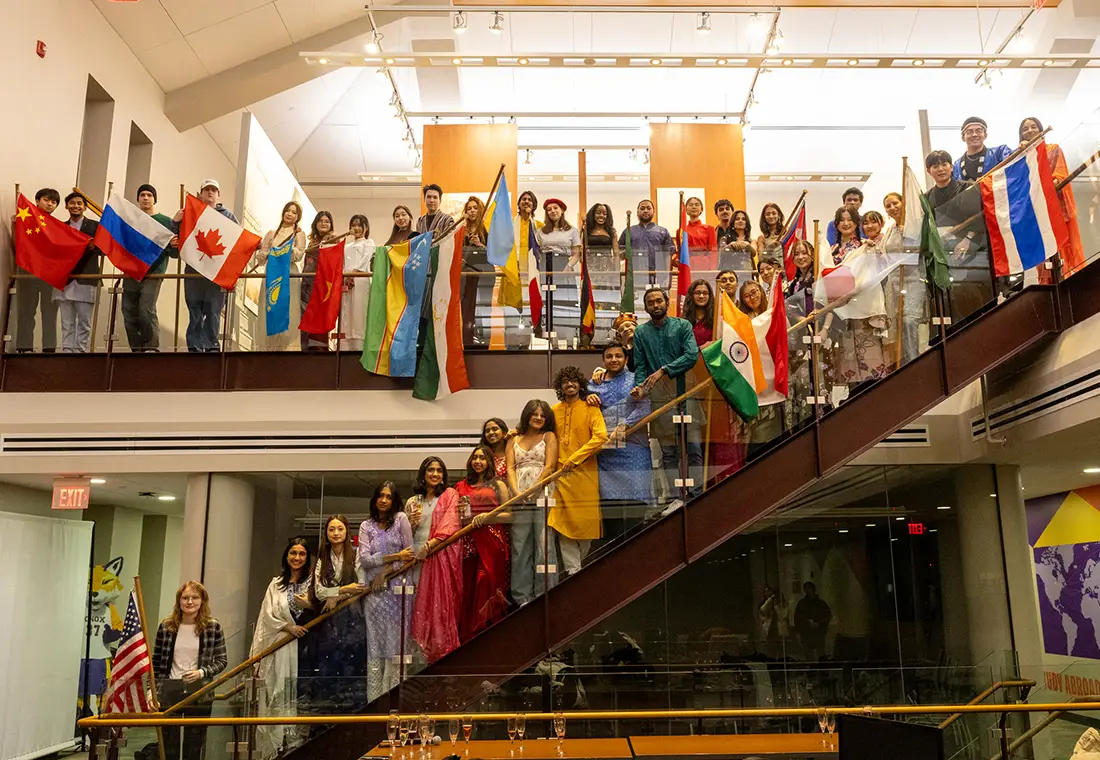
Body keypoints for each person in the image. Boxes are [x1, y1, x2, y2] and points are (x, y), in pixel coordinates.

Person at [630, 286, 703, 504]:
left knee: (694, 448)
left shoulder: (682, 325)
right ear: (646, 307)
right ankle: (675, 498)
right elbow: (641, 366)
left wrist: (663, 370)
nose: (655, 305)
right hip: (660, 399)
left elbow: (691, 355)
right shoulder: (641, 333)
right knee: (669, 453)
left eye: (659, 301)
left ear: (666, 303)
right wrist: (640, 387)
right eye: (651, 302)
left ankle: (698, 495)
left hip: (687, 394)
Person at [250, 538, 314, 759]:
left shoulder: (313, 582)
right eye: (293, 553)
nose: (297, 557)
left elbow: (322, 608)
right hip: (281, 648)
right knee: (277, 695)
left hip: (306, 650)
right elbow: (266, 616)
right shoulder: (276, 584)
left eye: (302, 554)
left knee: (301, 697)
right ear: (286, 556)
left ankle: (298, 746)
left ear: (307, 557)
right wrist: (288, 627)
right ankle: (277, 749)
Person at [153, 581, 227, 760]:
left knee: (194, 746)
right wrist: (152, 691)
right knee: (169, 744)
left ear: (202, 601)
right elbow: (155, 662)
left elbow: (222, 661)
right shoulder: (166, 627)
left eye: (195, 598)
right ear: (179, 601)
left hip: (199, 690)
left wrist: (201, 672)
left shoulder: (213, 627)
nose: (190, 602)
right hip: (170, 689)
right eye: (185, 598)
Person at [586, 342, 652, 539]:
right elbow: (585, 410)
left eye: (618, 356)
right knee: (610, 514)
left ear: (626, 359)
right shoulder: (593, 385)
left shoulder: (636, 380)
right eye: (609, 356)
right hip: (606, 455)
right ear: (603, 360)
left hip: (635, 451)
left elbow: (644, 407)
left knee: (635, 511)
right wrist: (588, 399)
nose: (614, 359)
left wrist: (624, 425)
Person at [357, 481, 414, 702]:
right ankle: (375, 703)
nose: (384, 500)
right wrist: (395, 557)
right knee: (375, 648)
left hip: (398, 592)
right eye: (380, 496)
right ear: (374, 499)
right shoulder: (366, 526)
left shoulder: (401, 519)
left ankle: (395, 702)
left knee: (396, 648)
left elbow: (410, 556)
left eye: (389, 497)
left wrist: (386, 572)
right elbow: (365, 559)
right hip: (374, 596)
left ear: (394, 500)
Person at [550, 366, 609, 574]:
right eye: (565, 381)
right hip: (560, 476)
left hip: (585, 476)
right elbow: (539, 431)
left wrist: (575, 459)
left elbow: (601, 437)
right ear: (560, 386)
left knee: (586, 527)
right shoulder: (553, 411)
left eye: (573, 381)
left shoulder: (591, 408)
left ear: (580, 384)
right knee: (562, 525)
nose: (569, 384)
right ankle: (574, 571)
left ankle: (578, 568)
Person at [925, 149, 992, 322]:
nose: (940, 169)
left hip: (972, 250)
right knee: (950, 299)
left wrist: (968, 239)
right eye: (935, 166)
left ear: (951, 166)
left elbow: (978, 216)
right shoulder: (927, 198)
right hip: (944, 252)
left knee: (974, 295)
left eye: (944, 164)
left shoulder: (968, 188)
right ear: (928, 171)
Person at [506, 399, 559, 606]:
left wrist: (533, 488)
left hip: (543, 493)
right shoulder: (513, 439)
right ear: (527, 415)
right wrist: (517, 492)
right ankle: (521, 596)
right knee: (520, 545)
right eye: (534, 414)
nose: (538, 418)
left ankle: (545, 592)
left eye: (542, 415)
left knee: (544, 543)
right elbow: (510, 468)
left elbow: (550, 466)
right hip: (518, 495)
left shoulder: (548, 436)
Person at [410, 457, 464, 662]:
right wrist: (411, 524)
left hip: (438, 558)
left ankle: (442, 656)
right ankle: (420, 659)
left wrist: (430, 546)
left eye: (439, 470)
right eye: (430, 470)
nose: (435, 474)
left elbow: (451, 526)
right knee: (417, 606)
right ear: (423, 473)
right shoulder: (413, 501)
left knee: (439, 608)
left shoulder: (450, 495)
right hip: (416, 560)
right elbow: (405, 536)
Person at [312, 514, 368, 711]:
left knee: (353, 672)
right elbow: (318, 592)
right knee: (328, 671)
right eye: (331, 530)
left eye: (340, 529)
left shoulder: (356, 554)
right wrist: (344, 589)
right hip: (328, 623)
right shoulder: (322, 560)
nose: (336, 533)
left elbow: (360, 586)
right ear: (326, 534)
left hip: (353, 619)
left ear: (346, 532)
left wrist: (335, 597)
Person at [172, 180, 235, 353]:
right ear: (200, 193)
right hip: (194, 269)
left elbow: (238, 240)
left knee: (213, 310)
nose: (210, 192)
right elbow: (174, 238)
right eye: (206, 189)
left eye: (214, 190)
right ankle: (194, 346)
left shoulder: (228, 216)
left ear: (218, 195)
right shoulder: (190, 213)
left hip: (216, 272)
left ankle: (211, 345)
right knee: (194, 309)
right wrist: (175, 221)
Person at [1020, 117, 1086, 278]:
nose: (1030, 131)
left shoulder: (1053, 149)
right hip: (1034, 212)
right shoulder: (1020, 156)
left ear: (1041, 130)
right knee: (1042, 257)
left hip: (1054, 207)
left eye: (1033, 127)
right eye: (1025, 129)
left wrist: (1045, 189)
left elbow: (1060, 175)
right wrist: (1023, 153)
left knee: (1062, 250)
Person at [457, 445, 512, 640]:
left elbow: (509, 515)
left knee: (486, 582)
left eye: (482, 458)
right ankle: (467, 637)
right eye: (475, 457)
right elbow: (457, 517)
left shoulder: (498, 484)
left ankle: (490, 633)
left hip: (491, 542)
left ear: (489, 461)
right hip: (468, 544)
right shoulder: (461, 486)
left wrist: (487, 517)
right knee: (468, 589)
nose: (478, 461)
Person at [833, 210, 891, 387]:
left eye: (849, 219)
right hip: (842, 306)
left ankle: (873, 391)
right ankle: (853, 393)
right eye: (841, 220)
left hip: (864, 302)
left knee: (868, 348)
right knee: (848, 352)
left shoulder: (865, 245)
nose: (845, 223)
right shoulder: (834, 249)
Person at [122, 184, 175, 352]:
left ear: (154, 199)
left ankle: (151, 347)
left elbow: (174, 252)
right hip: (131, 271)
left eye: (149, 195)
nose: (145, 198)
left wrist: (173, 244)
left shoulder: (166, 221)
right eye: (142, 194)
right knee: (128, 311)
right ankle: (136, 349)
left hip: (154, 272)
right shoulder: (130, 219)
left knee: (146, 308)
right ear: (138, 198)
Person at [252, 201, 306, 350]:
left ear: (298, 217)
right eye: (288, 210)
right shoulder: (271, 233)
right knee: (269, 307)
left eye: (294, 212)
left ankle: (286, 348)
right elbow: (261, 258)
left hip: (289, 275)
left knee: (289, 309)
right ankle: (267, 347)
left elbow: (299, 254)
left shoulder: (299, 234)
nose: (289, 214)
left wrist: (282, 251)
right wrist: (267, 252)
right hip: (272, 274)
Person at [14, 188, 61, 352]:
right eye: (46, 200)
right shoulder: (24, 220)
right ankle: (24, 347)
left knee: (50, 314)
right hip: (28, 273)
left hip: (50, 275)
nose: (50, 204)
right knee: (26, 312)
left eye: (54, 202)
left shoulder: (58, 227)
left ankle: (49, 349)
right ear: (37, 200)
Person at [53, 192, 101, 353]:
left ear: (85, 207)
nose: (76, 206)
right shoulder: (59, 227)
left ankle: (81, 352)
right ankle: (67, 351)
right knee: (66, 321)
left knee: (84, 320)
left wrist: (96, 245)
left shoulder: (96, 227)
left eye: (79, 203)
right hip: (64, 279)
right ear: (66, 206)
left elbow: (106, 250)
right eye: (72, 203)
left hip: (86, 278)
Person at [300, 210, 337, 351]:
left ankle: (320, 351)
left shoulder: (334, 239)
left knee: (320, 316)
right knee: (306, 315)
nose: (323, 223)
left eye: (327, 221)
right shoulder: (311, 241)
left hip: (323, 284)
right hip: (307, 283)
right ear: (316, 223)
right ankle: (305, 349)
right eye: (321, 221)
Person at [618, 200, 673, 289]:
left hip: (658, 277)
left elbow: (668, 255)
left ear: (653, 211)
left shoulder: (663, 231)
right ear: (637, 212)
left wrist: (666, 274)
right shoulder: (628, 231)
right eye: (642, 208)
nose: (645, 211)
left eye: (648, 208)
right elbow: (619, 253)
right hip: (635, 276)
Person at [340, 214, 373, 351]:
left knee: (359, 311)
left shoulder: (368, 243)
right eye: (353, 225)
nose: (356, 228)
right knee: (346, 311)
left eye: (359, 225)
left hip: (360, 281)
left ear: (365, 228)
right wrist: (345, 277)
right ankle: (344, 345)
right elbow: (341, 263)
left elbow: (365, 260)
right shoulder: (346, 246)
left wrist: (353, 273)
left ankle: (360, 346)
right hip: (346, 282)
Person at [461, 197, 491, 346]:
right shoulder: (461, 231)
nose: (472, 211)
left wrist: (479, 245)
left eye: (475, 208)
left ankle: (483, 340)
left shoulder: (486, 230)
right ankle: (466, 339)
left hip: (484, 276)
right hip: (465, 276)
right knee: (466, 308)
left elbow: (493, 255)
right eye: (469, 208)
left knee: (482, 308)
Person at [953, 116, 1012, 181]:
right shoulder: (957, 165)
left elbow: (1017, 160)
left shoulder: (999, 153)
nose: (974, 135)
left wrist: (1024, 146)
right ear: (963, 137)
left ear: (985, 135)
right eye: (969, 132)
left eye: (979, 131)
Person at [537, 198, 581, 269]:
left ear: (562, 210)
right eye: (549, 209)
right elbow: (537, 252)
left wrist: (568, 267)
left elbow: (577, 253)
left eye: (555, 208)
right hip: (545, 266)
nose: (553, 211)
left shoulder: (573, 231)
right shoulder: (540, 231)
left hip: (565, 265)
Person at [793, 581, 832, 662]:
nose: (808, 590)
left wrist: (819, 624)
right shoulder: (802, 604)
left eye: (809, 588)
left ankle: (823, 671)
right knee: (809, 656)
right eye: (806, 588)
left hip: (818, 632)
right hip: (806, 633)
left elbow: (827, 616)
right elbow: (797, 618)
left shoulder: (820, 603)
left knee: (821, 654)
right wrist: (801, 628)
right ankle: (812, 672)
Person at [682, 196, 717, 276]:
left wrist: (712, 270)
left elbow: (713, 251)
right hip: (687, 265)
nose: (694, 207)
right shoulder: (681, 230)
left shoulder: (709, 228)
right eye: (690, 205)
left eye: (697, 204)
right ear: (686, 210)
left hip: (704, 265)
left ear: (701, 209)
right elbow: (679, 251)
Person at [681, 278, 715, 346]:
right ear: (691, 295)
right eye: (697, 293)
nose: (701, 296)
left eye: (705, 293)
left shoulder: (715, 320)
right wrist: (701, 348)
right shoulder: (683, 321)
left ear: (709, 296)